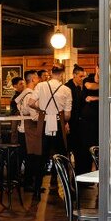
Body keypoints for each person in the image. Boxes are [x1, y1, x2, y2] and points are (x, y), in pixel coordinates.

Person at [30, 65, 72, 197]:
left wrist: (42, 109)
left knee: (41, 157)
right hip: (59, 124)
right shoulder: (66, 89)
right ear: (62, 74)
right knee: (62, 156)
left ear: (51, 73)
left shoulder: (41, 86)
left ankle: (37, 189)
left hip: (44, 123)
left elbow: (30, 103)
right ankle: (66, 188)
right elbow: (67, 116)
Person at [14, 71, 38, 188]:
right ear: (33, 79)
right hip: (29, 129)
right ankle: (28, 183)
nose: (38, 79)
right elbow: (33, 115)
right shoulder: (30, 94)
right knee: (30, 156)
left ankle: (24, 181)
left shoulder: (24, 94)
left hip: (22, 128)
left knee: (26, 155)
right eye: (37, 77)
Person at [66, 65, 91, 174]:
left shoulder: (82, 87)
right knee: (71, 150)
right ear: (74, 75)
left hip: (81, 124)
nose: (82, 79)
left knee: (82, 151)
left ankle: (81, 176)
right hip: (71, 124)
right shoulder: (67, 87)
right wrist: (66, 122)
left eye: (84, 76)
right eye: (81, 76)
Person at [81, 71, 101, 170]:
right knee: (88, 147)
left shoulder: (108, 78)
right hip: (88, 120)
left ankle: (98, 173)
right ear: (97, 68)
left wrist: (95, 98)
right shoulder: (88, 78)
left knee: (99, 146)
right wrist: (107, 84)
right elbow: (90, 86)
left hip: (101, 118)